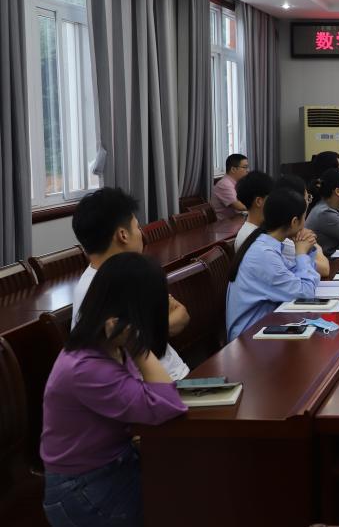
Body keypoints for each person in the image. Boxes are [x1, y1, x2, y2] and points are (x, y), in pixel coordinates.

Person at [40, 252, 187, 525]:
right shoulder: (87, 367)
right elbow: (168, 406)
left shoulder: (107, 346)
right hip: (84, 487)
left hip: (113, 463)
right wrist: (138, 346)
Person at [70, 187, 190, 380]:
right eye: (137, 227)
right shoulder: (97, 290)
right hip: (152, 387)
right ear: (123, 235)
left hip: (175, 374)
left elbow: (182, 315)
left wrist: (145, 330)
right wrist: (155, 327)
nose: (141, 234)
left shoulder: (132, 273)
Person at [226, 188, 321, 342]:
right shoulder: (263, 254)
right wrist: (301, 254)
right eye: (304, 217)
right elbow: (305, 294)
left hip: (267, 326)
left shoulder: (268, 244)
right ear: (294, 222)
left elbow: (296, 277)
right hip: (250, 339)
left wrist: (306, 250)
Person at [210, 153, 249, 220]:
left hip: (235, 220)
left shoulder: (237, 183)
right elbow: (239, 206)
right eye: (245, 167)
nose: (248, 170)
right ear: (233, 169)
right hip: (224, 224)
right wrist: (259, 206)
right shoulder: (224, 184)